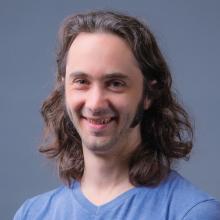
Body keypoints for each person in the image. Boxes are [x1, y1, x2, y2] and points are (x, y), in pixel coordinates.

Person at [14, 10, 220, 219]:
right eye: (82, 82)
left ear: (148, 94)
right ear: (63, 87)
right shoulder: (32, 214)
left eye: (115, 84)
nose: (95, 104)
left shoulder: (192, 213)